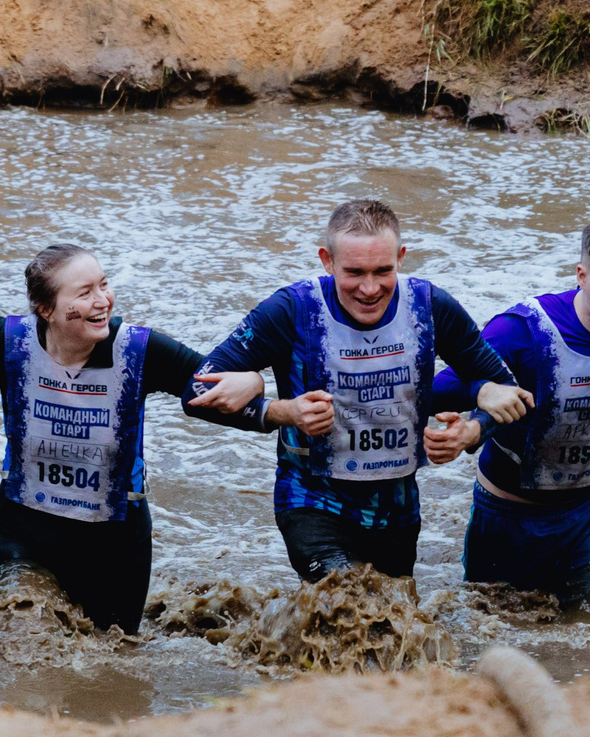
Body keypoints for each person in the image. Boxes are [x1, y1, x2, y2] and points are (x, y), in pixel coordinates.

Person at [0, 244, 265, 634]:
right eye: (84, 293)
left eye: (104, 285)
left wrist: (259, 387)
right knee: (20, 634)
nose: (102, 301)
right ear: (46, 310)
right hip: (20, 536)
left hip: (115, 550)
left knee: (112, 665)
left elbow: (210, 393)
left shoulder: (139, 351)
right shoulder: (10, 341)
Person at [196, 198, 532, 582]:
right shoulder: (291, 310)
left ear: (401, 258)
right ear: (327, 260)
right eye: (354, 272)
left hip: (397, 511)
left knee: (391, 630)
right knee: (352, 600)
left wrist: (471, 431)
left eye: (382, 271)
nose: (370, 289)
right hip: (312, 500)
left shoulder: (429, 307)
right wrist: (279, 411)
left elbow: (507, 387)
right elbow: (195, 389)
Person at [434, 210, 590, 610]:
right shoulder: (520, 331)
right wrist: (480, 397)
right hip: (510, 516)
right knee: (494, 631)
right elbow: (437, 390)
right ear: (581, 275)